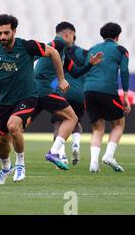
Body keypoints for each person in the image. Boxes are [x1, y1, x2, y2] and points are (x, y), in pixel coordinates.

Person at [0, 14, 69, 185]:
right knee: (2, 140)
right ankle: (6, 168)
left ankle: (20, 164)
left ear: (14, 31)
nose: (3, 37)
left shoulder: (27, 46)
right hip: (5, 100)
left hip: (27, 96)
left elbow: (54, 53)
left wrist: (61, 79)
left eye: (6, 33)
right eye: (0, 33)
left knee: (13, 126)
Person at [31, 22, 102, 170]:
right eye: (73, 35)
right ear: (68, 34)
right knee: (72, 118)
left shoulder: (62, 53)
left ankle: (1, 152)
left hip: (37, 90)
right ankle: (54, 152)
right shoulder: (58, 42)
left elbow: (75, 72)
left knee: (21, 124)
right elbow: (44, 51)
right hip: (45, 89)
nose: (73, 38)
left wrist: (90, 64)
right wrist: (61, 79)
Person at [85, 22, 130, 173]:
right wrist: (125, 95)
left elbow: (86, 70)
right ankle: (109, 156)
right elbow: (124, 72)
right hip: (107, 90)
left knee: (97, 129)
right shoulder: (121, 50)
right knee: (118, 124)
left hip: (89, 90)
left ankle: (93, 163)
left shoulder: (92, 49)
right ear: (118, 36)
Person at [51, 32, 88, 165]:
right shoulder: (84, 53)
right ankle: (76, 145)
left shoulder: (58, 52)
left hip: (62, 91)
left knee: (58, 123)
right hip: (78, 93)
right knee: (75, 121)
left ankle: (61, 154)